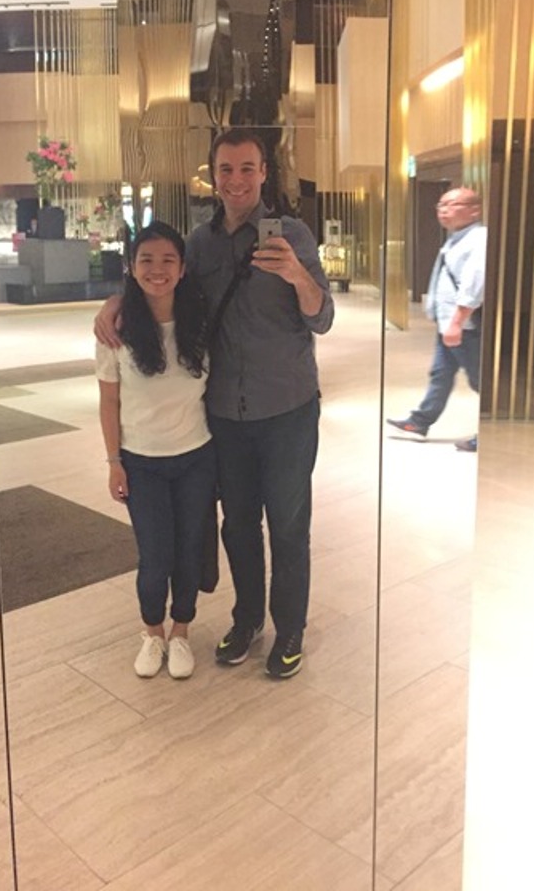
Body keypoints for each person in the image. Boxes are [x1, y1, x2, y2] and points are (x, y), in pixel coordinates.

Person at [95, 128, 334, 678]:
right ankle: (247, 620)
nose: (237, 180)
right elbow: (162, 285)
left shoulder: (293, 234)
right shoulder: (199, 244)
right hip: (225, 414)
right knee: (239, 525)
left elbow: (322, 317)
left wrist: (296, 273)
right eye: (226, 169)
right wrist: (114, 302)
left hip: (288, 409)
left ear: (264, 172)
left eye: (247, 168)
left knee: (288, 525)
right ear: (213, 176)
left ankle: (289, 629)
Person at [96, 221, 216, 680]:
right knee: (155, 555)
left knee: (188, 551)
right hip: (141, 461)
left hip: (196, 457)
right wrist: (114, 462)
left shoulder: (200, 323)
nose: (157, 269)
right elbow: (109, 402)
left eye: (168, 260)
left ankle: (181, 631)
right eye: (146, 259)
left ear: (183, 269)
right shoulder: (116, 329)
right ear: (131, 266)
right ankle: (152, 632)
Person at [387, 186, 485, 453]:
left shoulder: (478, 239)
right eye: (441, 205)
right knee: (441, 375)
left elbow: (474, 284)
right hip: (450, 325)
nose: (443, 210)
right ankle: (419, 422)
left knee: (481, 382)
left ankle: (492, 431)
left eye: (452, 204)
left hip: (465, 327)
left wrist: (457, 322)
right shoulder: (455, 239)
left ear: (474, 210)